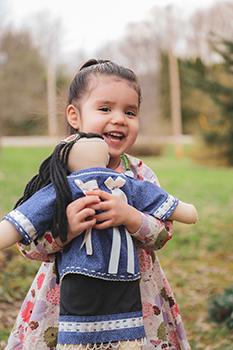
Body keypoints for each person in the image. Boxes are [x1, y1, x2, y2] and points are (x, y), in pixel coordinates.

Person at [5, 59, 197, 350]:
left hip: (137, 295)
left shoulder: (139, 174)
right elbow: (28, 245)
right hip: (67, 299)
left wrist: (130, 216)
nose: (119, 119)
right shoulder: (58, 175)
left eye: (130, 112)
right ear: (75, 115)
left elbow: (162, 234)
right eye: (105, 109)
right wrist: (63, 230)